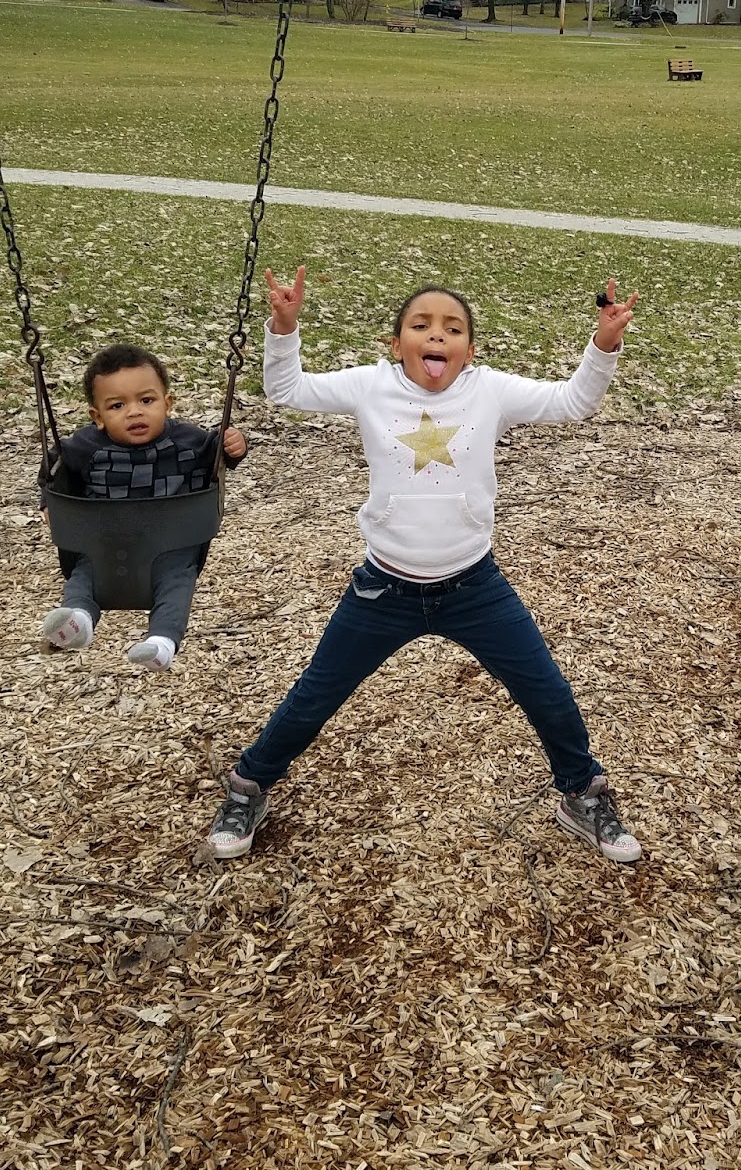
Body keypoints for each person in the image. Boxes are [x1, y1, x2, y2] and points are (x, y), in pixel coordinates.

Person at [207, 271, 643, 866]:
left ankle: (582, 794)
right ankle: (248, 786)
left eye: (452, 329)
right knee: (316, 695)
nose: (437, 336)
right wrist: (284, 326)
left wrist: (604, 343)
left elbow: (574, 402)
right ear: (396, 345)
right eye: (421, 325)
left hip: (474, 584)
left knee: (546, 690)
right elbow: (286, 388)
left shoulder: (489, 391)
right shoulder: (371, 386)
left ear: (470, 350)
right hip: (384, 587)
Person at [40, 344, 247, 670]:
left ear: (167, 403)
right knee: (82, 577)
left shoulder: (188, 441)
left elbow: (217, 452)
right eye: (117, 405)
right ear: (98, 417)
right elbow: (54, 468)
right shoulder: (86, 447)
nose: (134, 412)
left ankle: (161, 643)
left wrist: (235, 445)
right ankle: (78, 621)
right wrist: (48, 504)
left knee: (177, 585)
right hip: (103, 545)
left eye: (146, 401)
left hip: (170, 546)